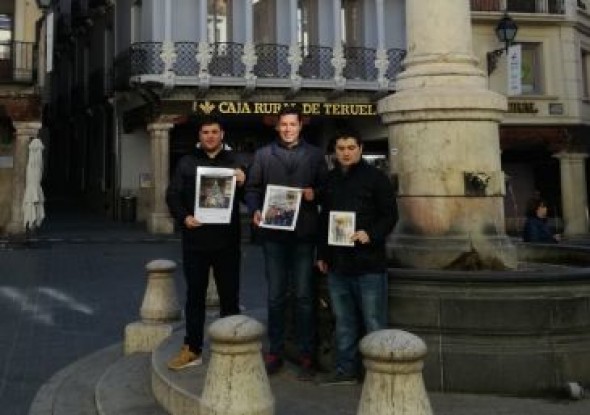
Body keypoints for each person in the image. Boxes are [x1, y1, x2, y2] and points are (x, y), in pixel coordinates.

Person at [244, 106, 328, 380]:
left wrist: (316, 193)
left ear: (300, 126)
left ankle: (306, 353)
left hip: (304, 235)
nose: (288, 129)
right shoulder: (263, 155)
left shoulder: (315, 155)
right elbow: (252, 189)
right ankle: (275, 351)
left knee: (304, 296)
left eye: (293, 124)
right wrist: (255, 208)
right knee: (276, 295)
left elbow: (327, 189)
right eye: (284, 125)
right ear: (277, 127)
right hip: (274, 235)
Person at [165, 116, 245, 370]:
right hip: (195, 241)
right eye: (205, 132)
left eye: (214, 131)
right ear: (199, 135)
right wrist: (184, 217)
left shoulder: (236, 163)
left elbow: (252, 196)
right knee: (194, 297)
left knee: (229, 297)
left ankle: (231, 348)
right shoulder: (187, 163)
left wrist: (243, 182)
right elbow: (173, 195)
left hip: (227, 242)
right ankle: (193, 348)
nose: (210, 136)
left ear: (222, 134)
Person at [316, 131, 396, 385]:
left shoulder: (377, 178)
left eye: (351, 147)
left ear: (360, 149)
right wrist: (323, 254)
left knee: (374, 321)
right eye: (341, 148)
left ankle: (380, 374)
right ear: (335, 151)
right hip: (338, 263)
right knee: (344, 322)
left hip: (369, 263)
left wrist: (370, 234)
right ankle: (345, 370)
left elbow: (390, 216)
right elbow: (323, 219)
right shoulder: (329, 180)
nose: (346, 152)